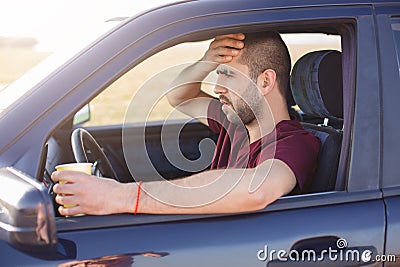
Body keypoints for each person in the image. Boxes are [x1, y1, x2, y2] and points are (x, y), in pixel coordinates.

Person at [51, 32, 320, 216]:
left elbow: (258, 189)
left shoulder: (296, 143)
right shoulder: (235, 124)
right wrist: (206, 62)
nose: (216, 87)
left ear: (265, 81)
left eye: (226, 75)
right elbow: (179, 95)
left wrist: (120, 197)